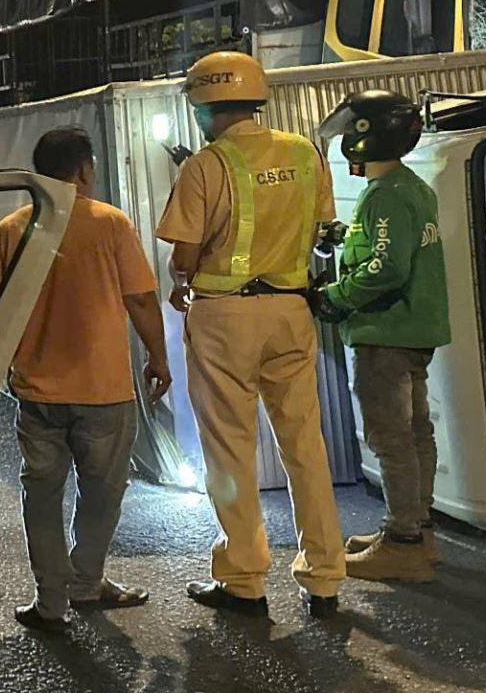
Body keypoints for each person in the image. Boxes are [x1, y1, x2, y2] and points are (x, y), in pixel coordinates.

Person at [155, 50, 345, 619]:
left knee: (231, 449)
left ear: (203, 105)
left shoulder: (206, 166)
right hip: (290, 311)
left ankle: (244, 579)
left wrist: (179, 280)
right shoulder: (305, 154)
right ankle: (325, 578)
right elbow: (320, 230)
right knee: (305, 447)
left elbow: (183, 258)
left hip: (224, 319)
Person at [0, 127, 172, 633]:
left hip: (36, 392)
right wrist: (158, 356)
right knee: (103, 493)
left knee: (41, 495)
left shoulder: (12, 228)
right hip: (103, 391)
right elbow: (138, 298)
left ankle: (50, 602)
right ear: (85, 170)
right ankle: (86, 582)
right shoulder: (109, 223)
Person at [311, 89, 450, 581]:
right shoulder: (411, 186)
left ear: (365, 136)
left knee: (389, 437)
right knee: (415, 433)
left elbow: (386, 267)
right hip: (415, 329)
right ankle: (418, 527)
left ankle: (403, 543)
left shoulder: (385, 194)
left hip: (385, 331)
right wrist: (343, 236)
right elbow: (387, 245)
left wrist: (335, 296)